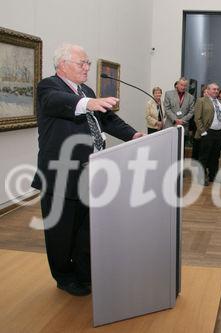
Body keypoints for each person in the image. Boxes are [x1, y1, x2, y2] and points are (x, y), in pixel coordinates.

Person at [31, 44, 143, 296]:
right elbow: (59, 102)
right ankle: (65, 277)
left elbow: (108, 119)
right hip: (60, 175)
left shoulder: (87, 91)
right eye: (81, 63)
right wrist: (88, 102)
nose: (86, 67)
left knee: (86, 229)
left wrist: (132, 135)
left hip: (92, 174)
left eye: (87, 63)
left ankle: (85, 272)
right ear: (62, 65)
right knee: (61, 232)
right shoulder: (49, 87)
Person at [194, 82, 221, 186]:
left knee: (215, 156)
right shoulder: (201, 101)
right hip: (207, 133)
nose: (216, 91)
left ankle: (213, 176)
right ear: (207, 90)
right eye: (213, 89)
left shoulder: (219, 101)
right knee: (204, 156)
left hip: (219, 133)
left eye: (217, 89)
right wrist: (203, 132)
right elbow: (197, 118)